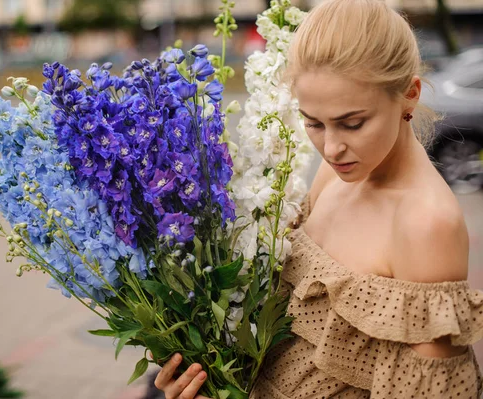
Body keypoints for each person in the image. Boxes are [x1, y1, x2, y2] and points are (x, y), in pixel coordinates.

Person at [152, 0, 483, 398]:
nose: (331, 147)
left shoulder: (425, 222)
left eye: (352, 122)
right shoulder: (335, 175)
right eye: (313, 122)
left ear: (409, 95)